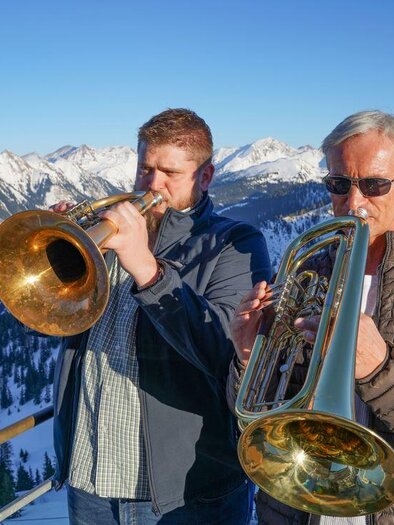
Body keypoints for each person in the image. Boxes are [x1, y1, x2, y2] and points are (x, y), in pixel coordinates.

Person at [51, 108, 272, 524]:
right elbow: (53, 319)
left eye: (170, 172)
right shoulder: (108, 231)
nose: (153, 185)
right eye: (145, 169)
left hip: (183, 494)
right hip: (89, 479)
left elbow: (225, 352)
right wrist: (61, 252)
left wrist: (148, 271)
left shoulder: (234, 243)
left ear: (204, 177)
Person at [226, 110, 394, 525]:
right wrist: (249, 359)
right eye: (339, 184)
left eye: (374, 185)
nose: (353, 202)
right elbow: (252, 418)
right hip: (299, 501)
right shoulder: (309, 266)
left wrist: (379, 369)